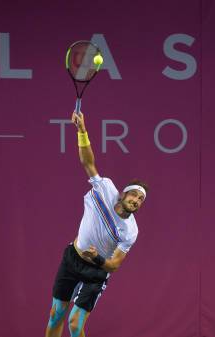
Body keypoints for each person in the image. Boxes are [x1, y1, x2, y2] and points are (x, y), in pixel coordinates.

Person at [45, 111, 148, 337]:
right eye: (134, 195)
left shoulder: (130, 230)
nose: (136, 201)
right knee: (55, 315)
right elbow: (87, 161)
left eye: (140, 200)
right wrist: (82, 131)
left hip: (96, 271)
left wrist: (98, 259)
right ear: (123, 194)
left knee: (75, 325)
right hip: (73, 258)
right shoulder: (105, 189)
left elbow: (114, 265)